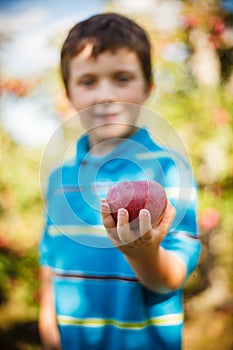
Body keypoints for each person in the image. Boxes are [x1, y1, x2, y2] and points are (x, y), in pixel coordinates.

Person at [38, 12, 201, 350]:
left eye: (122, 78)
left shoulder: (169, 171)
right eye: (88, 82)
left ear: (148, 87)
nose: (104, 96)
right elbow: (50, 257)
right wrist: (47, 320)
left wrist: (144, 254)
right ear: (68, 93)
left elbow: (172, 277)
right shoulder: (59, 180)